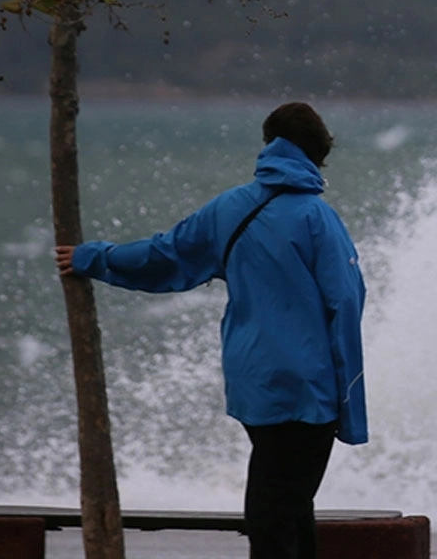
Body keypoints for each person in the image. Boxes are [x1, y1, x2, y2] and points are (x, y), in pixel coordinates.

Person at [54, 102, 367, 559]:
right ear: (317, 155)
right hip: (307, 385)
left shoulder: (230, 207)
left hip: (253, 380)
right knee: (279, 507)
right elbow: (347, 302)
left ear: (269, 146)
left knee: (283, 502)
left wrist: (92, 257)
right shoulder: (318, 219)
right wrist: (349, 404)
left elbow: (164, 256)